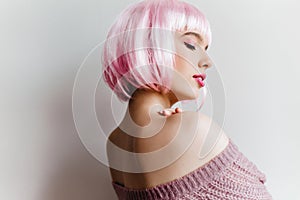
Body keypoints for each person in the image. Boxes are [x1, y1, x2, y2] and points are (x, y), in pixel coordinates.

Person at [102, 0, 272, 199]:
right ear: (148, 48)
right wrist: (183, 126)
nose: (207, 62)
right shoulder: (195, 130)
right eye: (191, 45)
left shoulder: (114, 145)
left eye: (206, 48)